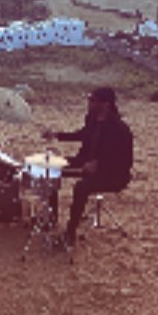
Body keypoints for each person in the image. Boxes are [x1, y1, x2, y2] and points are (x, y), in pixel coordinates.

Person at [43, 86, 134, 248]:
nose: (89, 103)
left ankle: (70, 233)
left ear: (105, 104)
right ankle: (51, 218)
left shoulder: (120, 129)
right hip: (85, 161)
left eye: (93, 100)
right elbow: (82, 135)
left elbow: (125, 163)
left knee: (81, 188)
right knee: (51, 168)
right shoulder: (91, 119)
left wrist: (99, 166)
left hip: (114, 175)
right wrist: (57, 135)